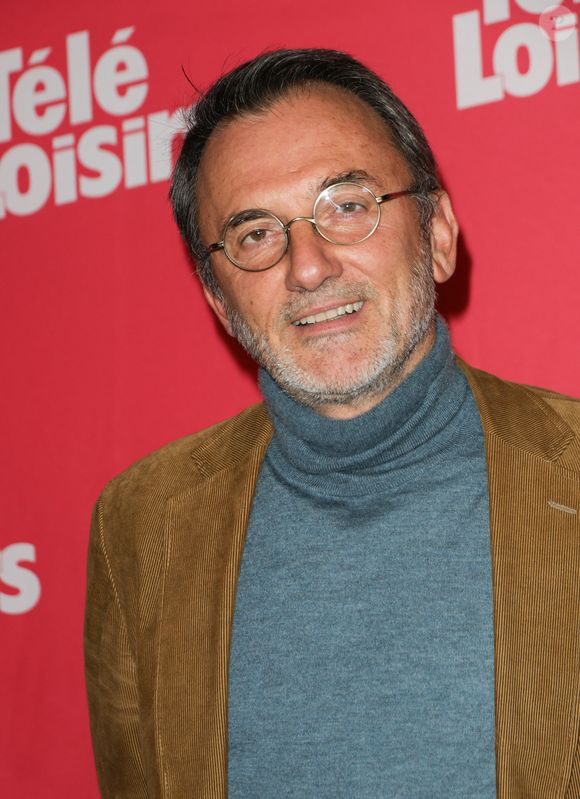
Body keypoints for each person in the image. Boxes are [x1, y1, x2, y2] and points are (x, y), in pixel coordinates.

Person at [84, 49, 580, 799]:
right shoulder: (141, 527)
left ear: (438, 233)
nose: (307, 266)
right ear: (220, 302)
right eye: (254, 234)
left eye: (346, 205)